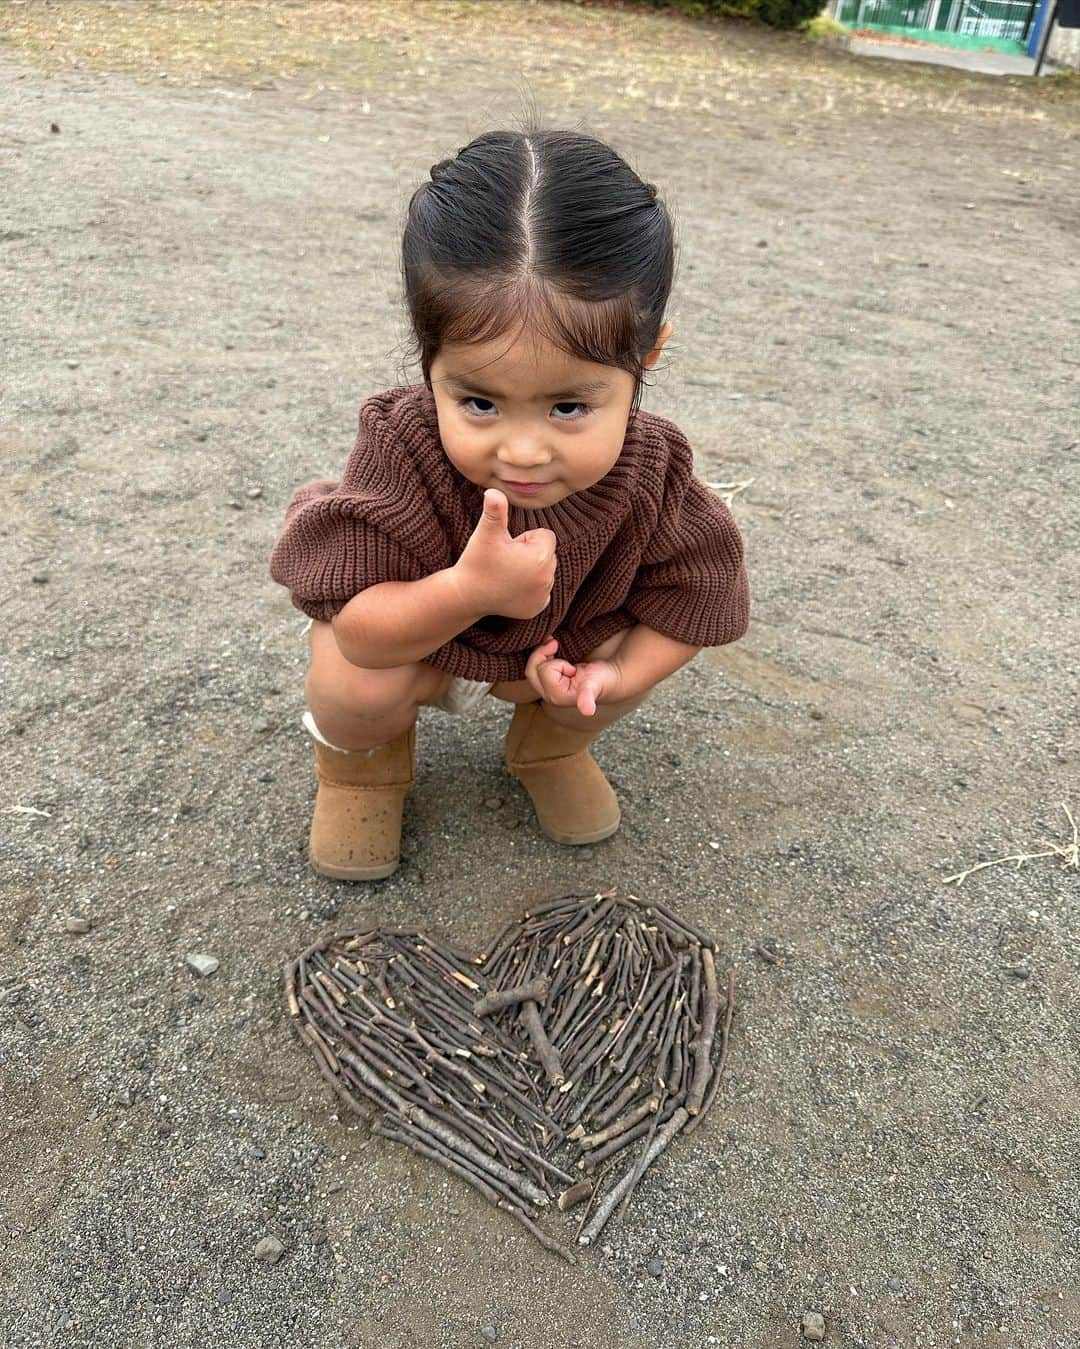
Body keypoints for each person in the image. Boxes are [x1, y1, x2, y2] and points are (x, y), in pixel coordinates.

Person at [268, 126, 750, 882]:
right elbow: (361, 630)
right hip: (411, 639)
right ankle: (361, 766)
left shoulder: (655, 471)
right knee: (350, 677)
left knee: (622, 654)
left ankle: (550, 743)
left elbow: (699, 601)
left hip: (550, 650)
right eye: (480, 401)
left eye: (568, 408)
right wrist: (469, 590)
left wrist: (615, 679)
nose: (522, 452)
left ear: (647, 353)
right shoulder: (403, 447)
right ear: (427, 354)